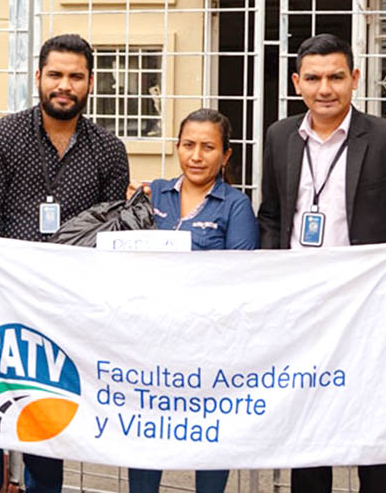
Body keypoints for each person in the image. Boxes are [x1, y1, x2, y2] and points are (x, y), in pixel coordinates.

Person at [257, 33, 386, 493]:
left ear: (355, 79)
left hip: (365, 308)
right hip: (300, 305)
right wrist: (267, 279)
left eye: (335, 77)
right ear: (297, 82)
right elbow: (271, 214)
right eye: (313, 78)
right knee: (308, 423)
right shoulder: (280, 136)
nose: (324, 88)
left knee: (370, 426)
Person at [0, 33, 130, 493]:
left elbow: (108, 235)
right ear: (37, 77)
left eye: (76, 76)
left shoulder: (108, 150)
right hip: (1, 300)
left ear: (91, 83)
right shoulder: (1, 137)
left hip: (66, 306)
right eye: (55, 74)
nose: (64, 85)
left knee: (51, 414)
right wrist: (12, 290)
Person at [127, 108, 258, 493]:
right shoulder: (154, 194)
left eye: (208, 147)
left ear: (226, 155)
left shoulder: (235, 205)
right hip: (151, 341)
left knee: (209, 436)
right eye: (188, 145)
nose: (196, 156)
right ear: (176, 147)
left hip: (209, 344)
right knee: (149, 433)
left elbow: (240, 276)